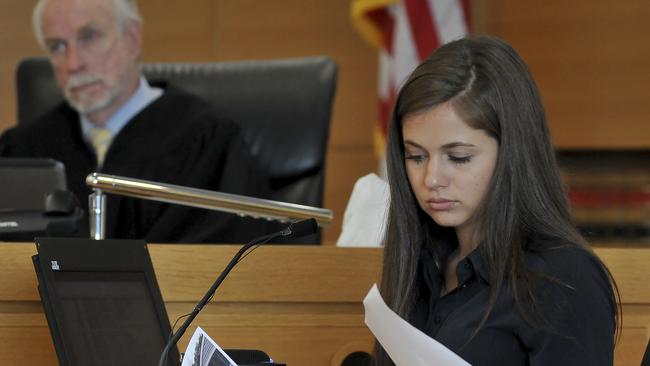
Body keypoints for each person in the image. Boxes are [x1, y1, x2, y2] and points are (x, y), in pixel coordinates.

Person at [375, 35, 619, 365]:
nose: (431, 179)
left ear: (512, 154)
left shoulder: (563, 278)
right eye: (416, 156)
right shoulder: (420, 260)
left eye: (458, 157)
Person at [0, 0, 274, 243]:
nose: (73, 64)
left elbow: (227, 255)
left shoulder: (206, 139)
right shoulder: (22, 148)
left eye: (89, 37)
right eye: (57, 46)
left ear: (132, 38)